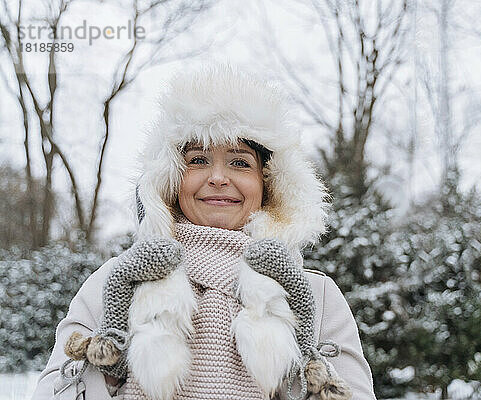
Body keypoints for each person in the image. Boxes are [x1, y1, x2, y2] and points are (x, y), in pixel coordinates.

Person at [32, 64, 377, 400]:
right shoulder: (117, 281)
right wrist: (109, 368)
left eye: (240, 162)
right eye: (197, 160)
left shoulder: (315, 294)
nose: (217, 178)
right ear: (170, 179)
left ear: (269, 184)